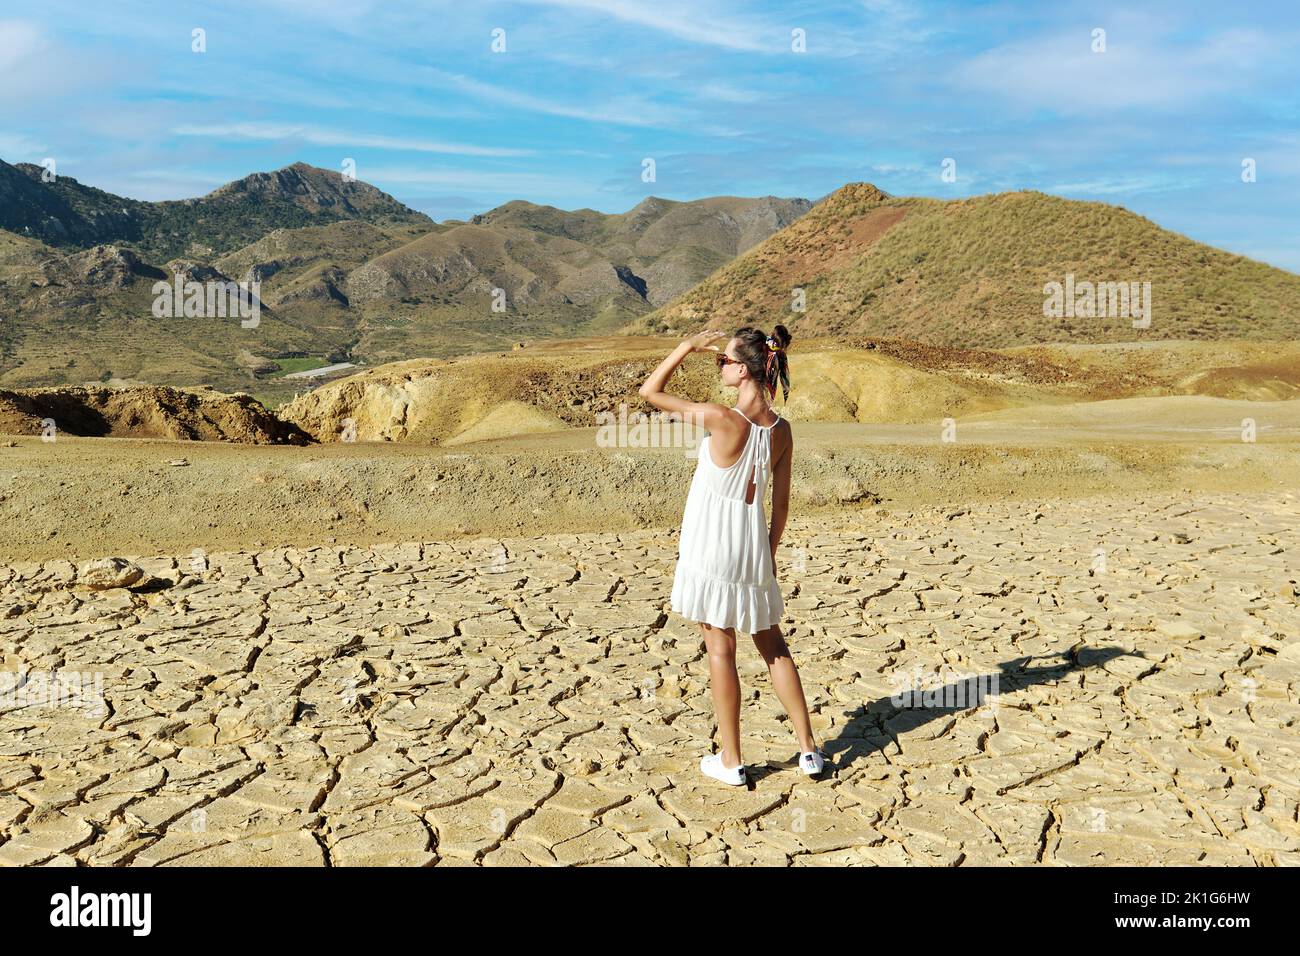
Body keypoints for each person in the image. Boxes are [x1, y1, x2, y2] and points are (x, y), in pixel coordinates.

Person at [638, 324, 826, 786]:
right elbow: (780, 505)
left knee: (720, 648)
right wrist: (769, 553)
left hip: (712, 543)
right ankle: (808, 752)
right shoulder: (782, 431)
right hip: (753, 546)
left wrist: (684, 347)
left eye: (723, 360)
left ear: (743, 370)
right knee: (773, 645)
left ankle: (732, 760)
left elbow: (650, 392)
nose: (718, 365)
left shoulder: (723, 419)